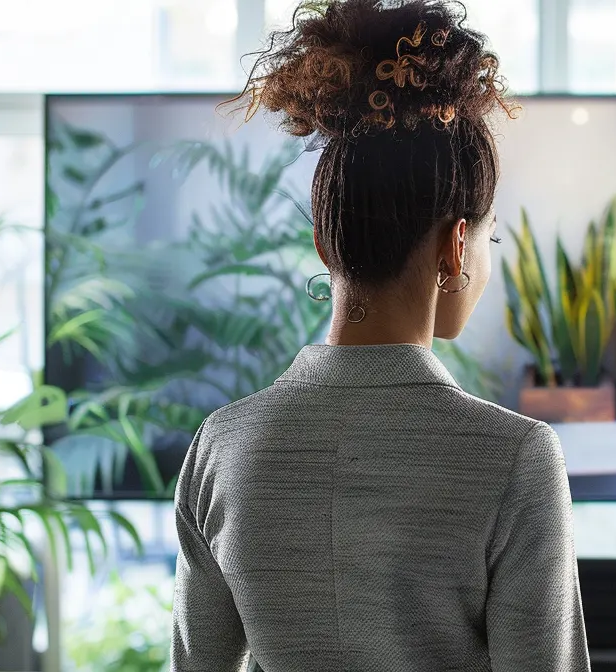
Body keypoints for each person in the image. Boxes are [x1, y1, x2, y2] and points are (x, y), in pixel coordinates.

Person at [171, 2, 589, 671]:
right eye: (488, 239)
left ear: (322, 240)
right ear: (457, 247)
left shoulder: (221, 445)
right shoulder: (517, 458)